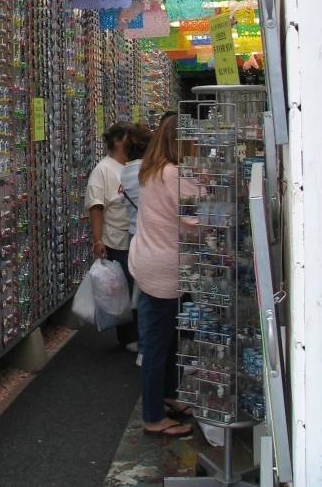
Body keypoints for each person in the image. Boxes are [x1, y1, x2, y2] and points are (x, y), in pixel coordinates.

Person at [128, 115, 198, 437]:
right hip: (165, 269)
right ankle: (154, 416)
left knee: (164, 340)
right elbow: (194, 218)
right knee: (157, 346)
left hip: (149, 262)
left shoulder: (150, 171)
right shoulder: (172, 173)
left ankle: (168, 395)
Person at [85, 122, 137, 350]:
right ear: (117, 140)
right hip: (116, 239)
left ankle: (136, 333)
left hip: (135, 237)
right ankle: (128, 336)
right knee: (123, 288)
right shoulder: (103, 170)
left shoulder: (132, 166)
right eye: (129, 136)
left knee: (135, 287)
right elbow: (96, 207)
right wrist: (98, 240)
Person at [120, 122, 154, 366]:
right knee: (155, 296)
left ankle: (143, 347)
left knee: (141, 294)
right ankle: (150, 347)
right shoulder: (150, 170)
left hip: (133, 236)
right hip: (152, 235)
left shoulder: (125, 171)